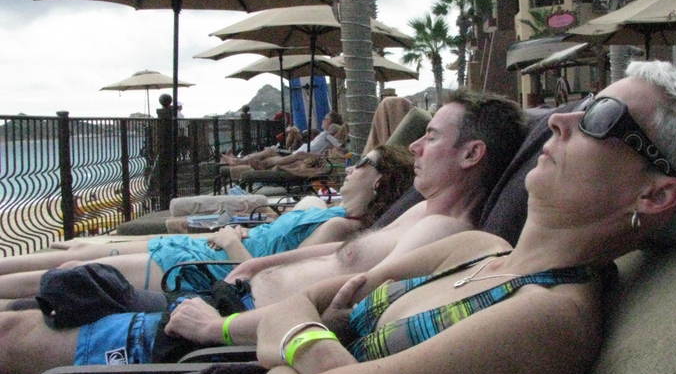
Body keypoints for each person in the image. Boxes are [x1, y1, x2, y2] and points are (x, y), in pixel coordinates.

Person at [0, 61, 676, 374]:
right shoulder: (478, 253)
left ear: (655, 194)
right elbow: (305, 315)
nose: (560, 120)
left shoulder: (546, 322)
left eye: (600, 118)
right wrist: (316, 352)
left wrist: (300, 334)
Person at [0, 90, 527, 374]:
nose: (414, 146)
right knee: (56, 293)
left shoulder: (447, 234)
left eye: (430, 136)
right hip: (227, 299)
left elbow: (345, 306)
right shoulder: (423, 212)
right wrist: (262, 263)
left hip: (227, 337)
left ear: (471, 154)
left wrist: (215, 327)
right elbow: (339, 252)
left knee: (13, 330)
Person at [0, 144, 415, 302]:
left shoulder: (342, 230)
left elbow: (272, 279)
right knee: (76, 249)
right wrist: (252, 228)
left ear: (380, 180)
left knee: (74, 267)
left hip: (203, 268)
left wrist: (233, 239)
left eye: (362, 163)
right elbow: (283, 234)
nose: (350, 167)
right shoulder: (333, 211)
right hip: (202, 250)